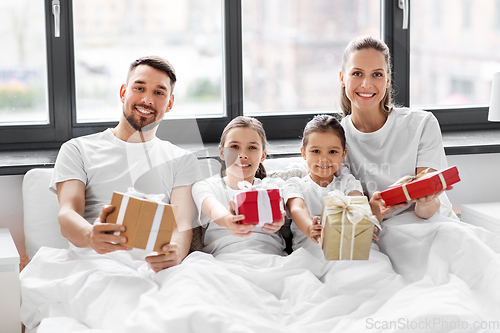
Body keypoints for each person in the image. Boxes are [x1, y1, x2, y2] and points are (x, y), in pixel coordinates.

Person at [51, 56, 200, 272]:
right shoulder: (77, 149)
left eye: (158, 92)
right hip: (94, 263)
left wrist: (175, 253)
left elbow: (182, 226)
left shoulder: (183, 160)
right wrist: (90, 235)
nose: (147, 100)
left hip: (153, 267)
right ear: (123, 92)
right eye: (139, 88)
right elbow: (67, 214)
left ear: (169, 103)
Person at [338, 35, 456, 222]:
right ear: (342, 78)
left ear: (387, 80)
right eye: (357, 73)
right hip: (379, 231)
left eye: (377, 74)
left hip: (432, 224)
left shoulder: (421, 124)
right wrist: (371, 209)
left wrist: (426, 200)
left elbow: (427, 212)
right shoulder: (334, 140)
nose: (366, 84)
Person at [191, 116, 286, 256]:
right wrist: (228, 220)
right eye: (234, 147)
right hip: (223, 261)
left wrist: (279, 217)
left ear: (263, 156)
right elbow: (212, 208)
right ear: (222, 152)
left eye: (252, 147)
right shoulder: (205, 186)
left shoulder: (273, 186)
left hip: (270, 258)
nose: (242, 154)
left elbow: (280, 205)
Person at [284, 115, 364, 252]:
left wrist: (362, 219)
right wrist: (310, 227)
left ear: (343, 154)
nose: (324, 159)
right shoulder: (294, 185)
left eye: (332, 152)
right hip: (310, 251)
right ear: (303, 153)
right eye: (316, 151)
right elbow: (298, 209)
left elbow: (355, 202)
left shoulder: (348, 183)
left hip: (344, 247)